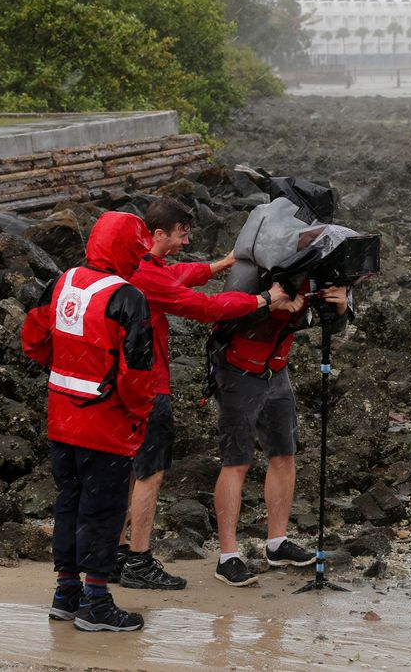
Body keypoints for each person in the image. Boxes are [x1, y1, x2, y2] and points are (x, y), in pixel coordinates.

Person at [117, 197, 295, 591]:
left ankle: (116, 553)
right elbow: (202, 307)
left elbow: (175, 274)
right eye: (182, 234)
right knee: (149, 472)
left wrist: (222, 264)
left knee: (129, 470)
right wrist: (262, 299)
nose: (187, 240)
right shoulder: (145, 277)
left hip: (126, 383)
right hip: (147, 385)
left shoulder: (136, 265)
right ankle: (138, 560)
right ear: (159, 234)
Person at [21, 211, 155, 632]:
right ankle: (97, 601)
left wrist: (64, 371)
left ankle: (66, 593)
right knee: (103, 511)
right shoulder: (128, 297)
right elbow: (137, 374)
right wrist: (140, 413)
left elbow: (33, 338)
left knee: (69, 503)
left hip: (62, 418)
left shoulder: (62, 282)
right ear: (130, 249)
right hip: (106, 425)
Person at [211, 270, 350, 587]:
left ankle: (277, 543)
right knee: (236, 461)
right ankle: (228, 557)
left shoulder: (322, 273)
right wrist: (268, 304)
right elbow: (221, 314)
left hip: (276, 368)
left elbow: (327, 325)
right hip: (237, 369)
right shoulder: (258, 267)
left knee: (284, 453)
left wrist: (340, 307)